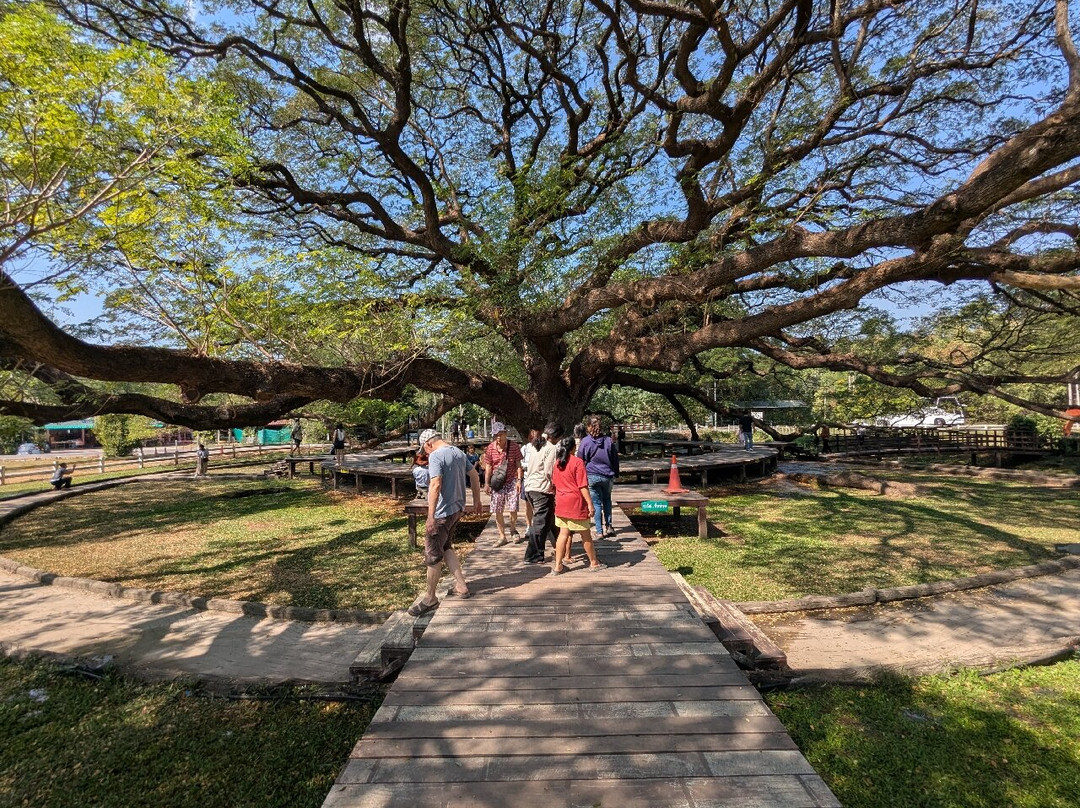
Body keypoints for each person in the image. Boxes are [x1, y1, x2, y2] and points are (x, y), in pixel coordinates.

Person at [408, 429, 483, 617]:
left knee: (433, 554)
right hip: (457, 509)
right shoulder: (458, 452)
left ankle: (430, 598)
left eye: (425, 450)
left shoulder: (436, 456)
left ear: (428, 444)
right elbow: (474, 475)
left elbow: (435, 484)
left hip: (441, 513)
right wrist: (477, 500)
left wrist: (431, 516)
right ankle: (461, 585)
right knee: (446, 546)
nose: (426, 454)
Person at [551, 436, 605, 574]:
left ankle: (557, 566)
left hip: (561, 503)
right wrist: (590, 504)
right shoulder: (577, 462)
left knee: (563, 534)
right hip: (576, 504)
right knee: (585, 534)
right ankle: (594, 562)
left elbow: (554, 484)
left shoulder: (557, 463)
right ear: (573, 448)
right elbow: (582, 486)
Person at [522, 423, 563, 564]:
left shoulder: (535, 444)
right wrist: (555, 485)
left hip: (530, 487)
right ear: (556, 436)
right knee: (540, 523)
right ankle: (531, 555)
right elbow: (548, 471)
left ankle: (558, 546)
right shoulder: (550, 448)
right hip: (542, 489)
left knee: (548, 520)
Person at [577, 415, 620, 539]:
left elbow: (580, 460)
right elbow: (615, 459)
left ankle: (599, 531)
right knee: (607, 500)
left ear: (589, 427)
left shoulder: (585, 441)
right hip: (607, 475)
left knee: (596, 503)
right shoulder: (608, 441)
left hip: (592, 475)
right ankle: (609, 526)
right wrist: (616, 473)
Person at [482, 421, 524, 547]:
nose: (498, 437)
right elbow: (488, 466)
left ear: (505, 433)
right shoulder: (490, 448)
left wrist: (519, 480)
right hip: (497, 482)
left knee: (513, 507)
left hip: (511, 480)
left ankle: (513, 529)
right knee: (497, 508)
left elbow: (518, 465)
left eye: (500, 434)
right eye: (496, 435)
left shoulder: (514, 446)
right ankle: (502, 536)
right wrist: (487, 483)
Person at [520, 428, 539, 527]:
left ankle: (538, 525)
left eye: (537, 437)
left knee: (539, 504)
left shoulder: (542, 448)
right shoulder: (525, 448)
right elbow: (520, 464)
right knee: (528, 504)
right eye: (533, 437)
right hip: (527, 479)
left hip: (539, 480)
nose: (535, 439)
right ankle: (529, 525)